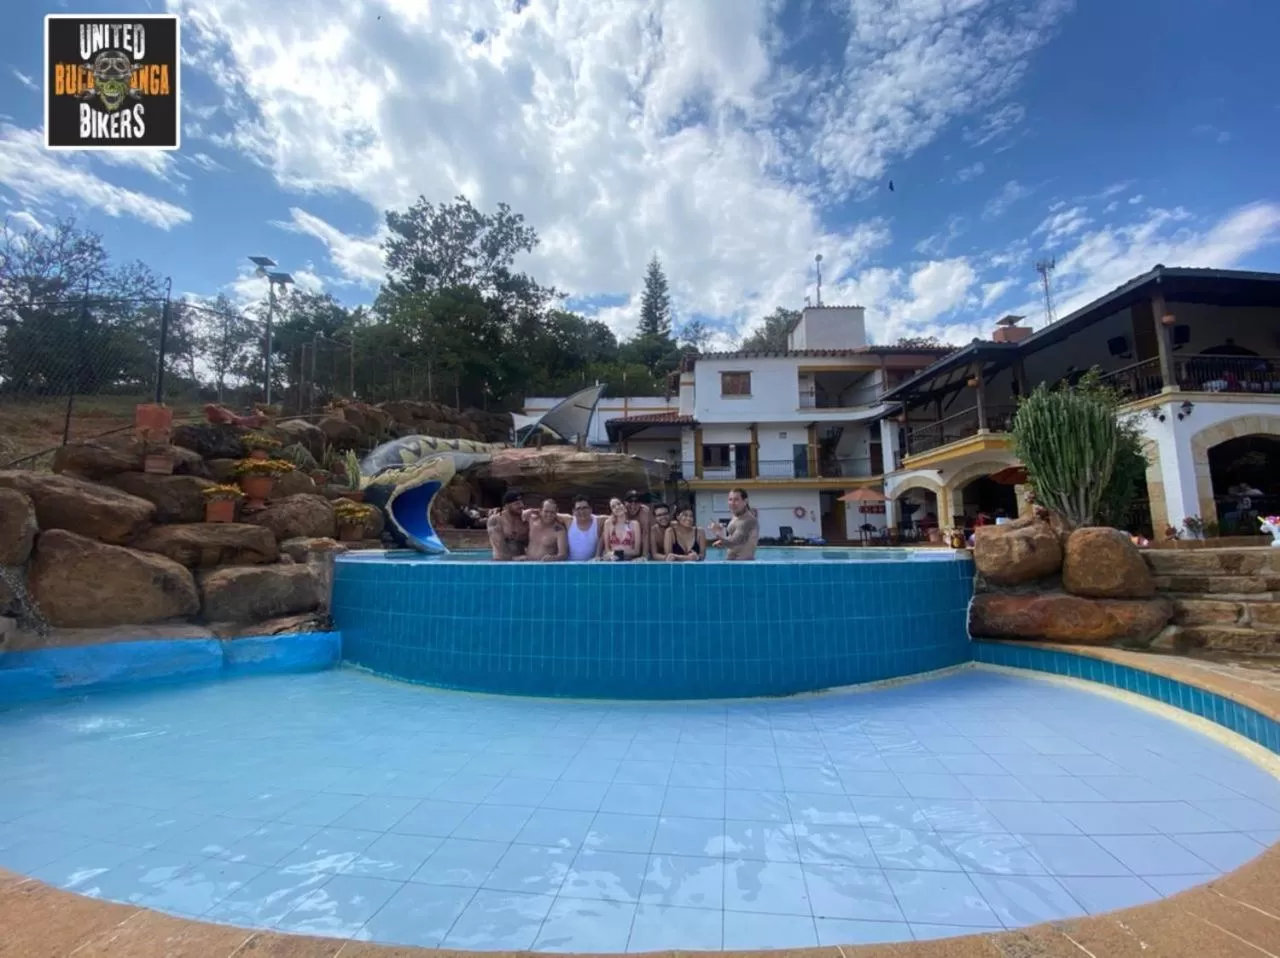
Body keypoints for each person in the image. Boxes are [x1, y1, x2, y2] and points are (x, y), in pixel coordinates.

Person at [707, 488, 759, 560]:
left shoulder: (748, 520)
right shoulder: (736, 516)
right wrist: (722, 542)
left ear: (745, 502)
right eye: (730, 499)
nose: (732, 503)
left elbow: (733, 543)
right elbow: (736, 537)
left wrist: (717, 532)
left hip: (744, 566)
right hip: (733, 564)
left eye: (736, 500)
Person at [486, 490, 530, 561]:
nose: (521, 506)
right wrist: (513, 559)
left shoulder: (524, 520)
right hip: (503, 564)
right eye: (517, 504)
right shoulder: (496, 520)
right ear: (507, 506)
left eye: (521, 502)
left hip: (522, 563)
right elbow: (498, 548)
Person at [600, 497, 643, 561]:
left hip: (628, 561)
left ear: (624, 505)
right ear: (612, 511)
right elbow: (607, 549)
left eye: (619, 504)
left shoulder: (635, 524)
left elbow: (636, 551)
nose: (617, 507)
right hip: (612, 561)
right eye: (613, 507)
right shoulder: (608, 523)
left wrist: (617, 553)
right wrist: (613, 555)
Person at [566, 495, 602, 562]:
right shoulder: (568, 521)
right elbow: (550, 514)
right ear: (573, 511)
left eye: (585, 508)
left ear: (591, 509)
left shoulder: (599, 521)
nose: (582, 511)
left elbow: (616, 516)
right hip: (570, 566)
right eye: (578, 509)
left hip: (591, 566)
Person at [623, 490, 652, 555]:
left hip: (641, 548)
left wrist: (644, 555)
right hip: (625, 548)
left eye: (636, 501)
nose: (633, 505)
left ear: (640, 503)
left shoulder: (644, 511)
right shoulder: (621, 511)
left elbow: (645, 534)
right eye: (630, 501)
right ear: (625, 502)